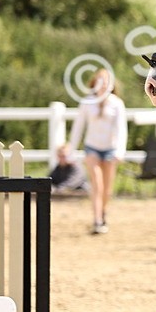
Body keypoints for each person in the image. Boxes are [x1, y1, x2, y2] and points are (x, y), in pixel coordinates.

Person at [62, 67, 127, 234]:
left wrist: (120, 151)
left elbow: (121, 129)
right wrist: (72, 150)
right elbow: (78, 128)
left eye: (105, 80)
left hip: (110, 150)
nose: (102, 84)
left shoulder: (116, 103)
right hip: (92, 149)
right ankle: (97, 219)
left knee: (107, 188)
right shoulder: (87, 102)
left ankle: (103, 212)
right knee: (96, 184)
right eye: (99, 80)